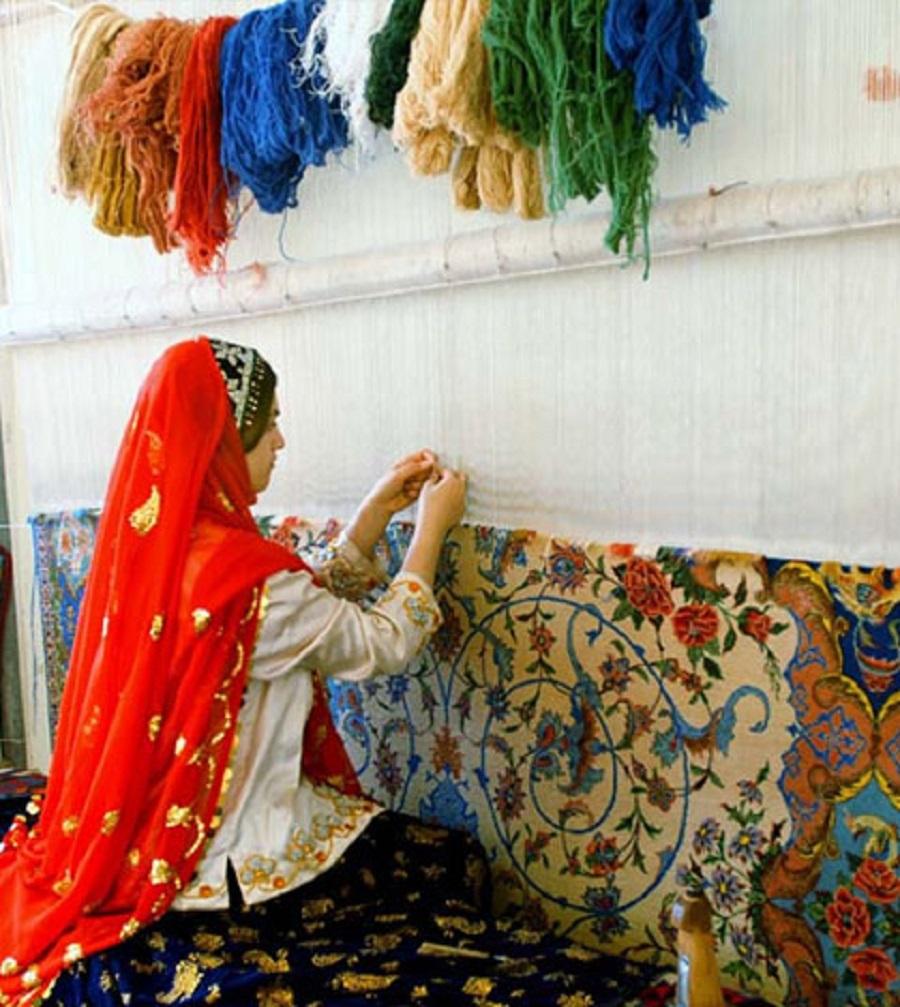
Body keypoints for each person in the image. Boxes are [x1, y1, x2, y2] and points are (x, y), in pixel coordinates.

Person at [0, 336, 465, 1004]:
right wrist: (431, 532)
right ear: (224, 440)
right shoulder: (247, 581)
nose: (281, 441)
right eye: (269, 423)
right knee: (437, 871)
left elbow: (285, 610)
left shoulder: (164, 546)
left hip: (154, 840)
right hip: (236, 858)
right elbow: (382, 643)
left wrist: (371, 518)